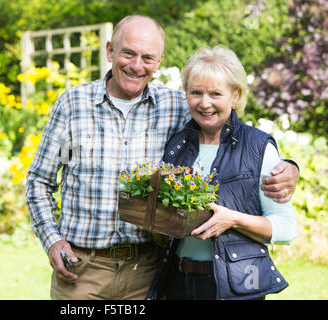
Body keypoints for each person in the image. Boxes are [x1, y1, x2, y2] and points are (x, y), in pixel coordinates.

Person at [25, 16, 299, 300]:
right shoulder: (73, 105)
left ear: (159, 61)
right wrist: (53, 240)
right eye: (128, 53)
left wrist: (288, 166)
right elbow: (39, 181)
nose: (136, 65)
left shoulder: (175, 106)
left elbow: (231, 131)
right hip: (82, 271)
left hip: (147, 272)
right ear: (110, 51)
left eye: (148, 57)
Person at [146, 46, 298, 300]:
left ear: (236, 96)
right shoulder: (177, 145)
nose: (205, 103)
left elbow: (286, 229)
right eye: (196, 93)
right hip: (178, 283)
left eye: (216, 93)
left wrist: (233, 219)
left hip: (236, 285)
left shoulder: (258, 147)